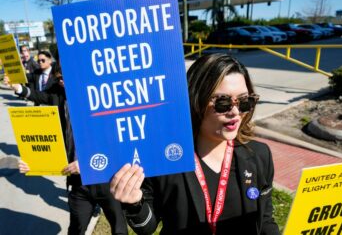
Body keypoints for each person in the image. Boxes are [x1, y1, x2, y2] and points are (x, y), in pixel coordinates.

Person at [109, 53, 281, 235]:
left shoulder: (259, 155)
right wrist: (135, 203)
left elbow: (264, 220)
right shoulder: (165, 158)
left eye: (245, 102)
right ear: (195, 99)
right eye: (223, 102)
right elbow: (147, 227)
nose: (236, 112)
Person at [5, 59, 128, 235]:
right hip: (78, 183)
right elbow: (39, 96)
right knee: (76, 228)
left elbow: (115, 139)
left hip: (106, 177)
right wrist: (35, 163)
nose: (60, 81)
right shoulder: (59, 93)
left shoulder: (101, 96)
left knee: (119, 228)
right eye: (57, 78)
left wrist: (87, 162)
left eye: (63, 77)